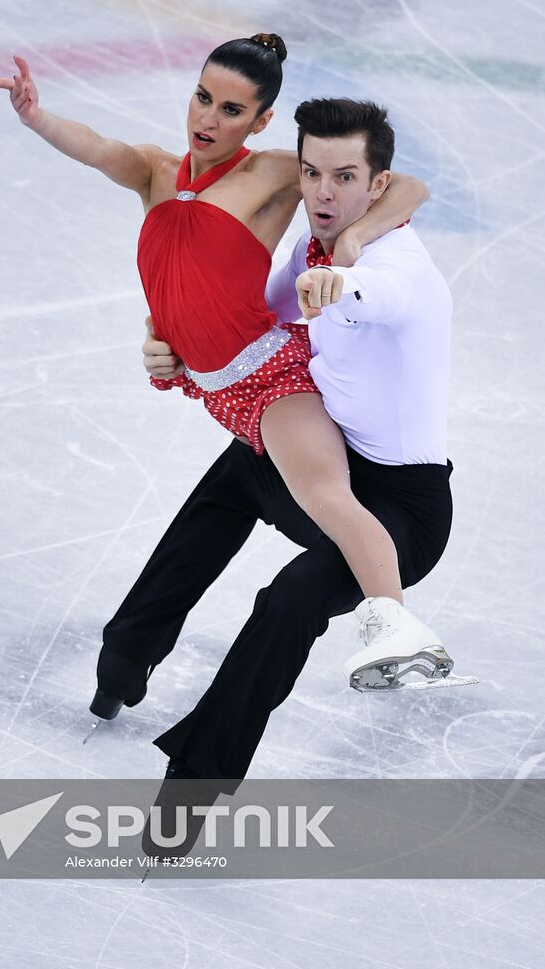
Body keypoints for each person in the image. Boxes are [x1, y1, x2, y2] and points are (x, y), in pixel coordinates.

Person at [0, 36, 439, 717]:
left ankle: (395, 628)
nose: (208, 117)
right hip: (210, 386)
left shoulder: (270, 174)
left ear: (257, 122)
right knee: (217, 515)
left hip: (269, 378)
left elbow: (406, 184)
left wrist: (352, 241)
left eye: (231, 108)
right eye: (202, 97)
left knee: (325, 496)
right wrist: (35, 117)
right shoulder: (153, 171)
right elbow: (95, 145)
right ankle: (123, 667)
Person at [106, 98, 467, 837]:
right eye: (311, 174)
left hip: (403, 513)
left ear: (376, 185)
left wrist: (345, 281)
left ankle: (192, 793)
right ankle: (127, 653)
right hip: (334, 468)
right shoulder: (314, 246)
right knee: (239, 468)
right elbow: (253, 320)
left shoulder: (399, 274)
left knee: (290, 599)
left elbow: (378, 294)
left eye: (344, 177)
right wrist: (168, 350)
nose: (323, 193)